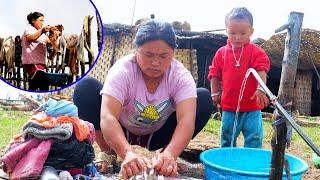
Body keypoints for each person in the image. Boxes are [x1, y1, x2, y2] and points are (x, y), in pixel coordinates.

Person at [73, 19, 214, 179]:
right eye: (148, 54)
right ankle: (108, 153)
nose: (155, 62)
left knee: (202, 97)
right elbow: (108, 116)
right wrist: (127, 153)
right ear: (136, 49)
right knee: (86, 87)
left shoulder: (179, 76)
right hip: (122, 128)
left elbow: (186, 120)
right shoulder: (123, 71)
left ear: (173, 53)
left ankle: (164, 159)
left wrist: (170, 154)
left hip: (158, 133)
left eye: (163, 56)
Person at [208, 7, 270, 148]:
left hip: (252, 107)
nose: (237, 37)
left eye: (243, 33)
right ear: (226, 30)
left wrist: (261, 89)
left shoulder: (256, 52)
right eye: (232, 33)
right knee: (227, 137)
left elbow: (261, 70)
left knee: (254, 138)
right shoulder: (221, 53)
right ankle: (227, 163)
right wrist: (215, 93)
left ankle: (250, 164)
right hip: (229, 107)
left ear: (251, 31)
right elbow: (214, 74)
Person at [21, 12, 51, 91]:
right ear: (33, 20)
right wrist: (42, 31)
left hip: (40, 64)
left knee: (34, 85)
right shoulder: (29, 29)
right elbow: (29, 38)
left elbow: (51, 43)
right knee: (44, 83)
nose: (42, 23)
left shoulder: (42, 34)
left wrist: (55, 35)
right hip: (32, 63)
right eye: (40, 20)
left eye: (43, 21)